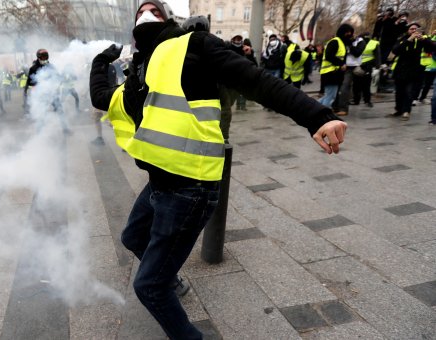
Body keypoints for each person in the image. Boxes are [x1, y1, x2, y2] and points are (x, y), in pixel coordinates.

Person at [89, 1, 347, 339]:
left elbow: (256, 81)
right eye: (139, 12)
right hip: (160, 183)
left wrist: (317, 116)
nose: (145, 14)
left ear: (169, 18)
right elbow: (102, 98)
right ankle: (172, 279)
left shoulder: (194, 44)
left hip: (190, 188)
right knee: (132, 237)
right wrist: (100, 60)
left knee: (149, 287)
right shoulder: (139, 73)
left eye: (153, 9)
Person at [24, 48, 71, 134]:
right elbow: (29, 83)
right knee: (42, 113)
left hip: (52, 93)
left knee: (60, 110)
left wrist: (62, 78)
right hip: (42, 95)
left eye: (46, 56)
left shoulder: (51, 66)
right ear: (38, 57)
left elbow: (57, 76)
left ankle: (65, 129)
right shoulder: (34, 68)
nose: (45, 58)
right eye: (43, 57)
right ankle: (39, 132)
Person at [319, 24, 354, 111]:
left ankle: (311, 107)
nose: (350, 35)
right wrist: (341, 64)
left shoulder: (341, 43)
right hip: (330, 73)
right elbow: (328, 56)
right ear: (343, 32)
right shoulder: (335, 42)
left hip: (334, 73)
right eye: (348, 33)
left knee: (330, 96)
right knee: (330, 96)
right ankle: (323, 115)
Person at [334, 31, 366, 116]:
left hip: (353, 67)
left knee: (346, 87)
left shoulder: (360, 42)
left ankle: (343, 108)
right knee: (339, 87)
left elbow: (357, 53)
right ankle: (337, 107)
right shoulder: (343, 41)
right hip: (342, 66)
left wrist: (350, 45)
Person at [353, 33, 381, 107]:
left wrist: (377, 66)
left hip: (368, 66)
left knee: (366, 84)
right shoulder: (356, 43)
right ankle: (356, 100)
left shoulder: (374, 43)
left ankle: (367, 100)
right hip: (357, 65)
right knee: (356, 84)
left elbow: (377, 55)